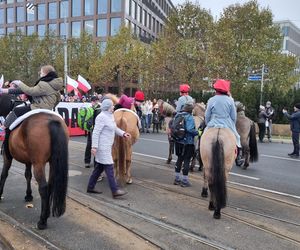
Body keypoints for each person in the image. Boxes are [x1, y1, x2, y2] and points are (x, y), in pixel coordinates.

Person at [87, 99, 131, 197]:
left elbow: (114, 128)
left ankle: (90, 187)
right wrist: (94, 147)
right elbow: (96, 132)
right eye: (112, 106)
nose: (113, 107)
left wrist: (123, 133)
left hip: (107, 146)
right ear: (107, 107)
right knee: (110, 167)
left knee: (99, 168)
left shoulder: (110, 116)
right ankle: (114, 190)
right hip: (102, 147)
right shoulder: (101, 117)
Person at [0, 65, 63, 129]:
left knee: (16, 110)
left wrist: (20, 83)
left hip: (38, 108)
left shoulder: (43, 84)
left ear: (45, 74)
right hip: (49, 109)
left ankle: (3, 127)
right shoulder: (56, 86)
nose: (40, 74)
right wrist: (50, 106)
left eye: (41, 73)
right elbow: (58, 99)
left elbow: (30, 91)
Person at [205, 79, 244, 165]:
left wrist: (207, 123)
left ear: (216, 89)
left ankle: (199, 152)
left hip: (213, 122)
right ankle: (238, 156)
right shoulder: (230, 100)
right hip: (227, 122)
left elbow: (207, 115)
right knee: (237, 137)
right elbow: (234, 116)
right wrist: (232, 124)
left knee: (203, 135)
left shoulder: (211, 99)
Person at [173, 102, 199, 187]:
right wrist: (198, 132)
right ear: (191, 110)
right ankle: (184, 181)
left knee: (179, 159)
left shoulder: (178, 115)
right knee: (187, 160)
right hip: (188, 142)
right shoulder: (189, 117)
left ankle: (177, 179)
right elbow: (189, 129)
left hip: (178, 141)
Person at [84, 96, 101, 168]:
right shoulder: (100, 109)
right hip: (96, 130)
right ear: (96, 101)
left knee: (89, 145)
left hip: (90, 129)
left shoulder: (89, 108)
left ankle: (87, 162)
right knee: (95, 146)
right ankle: (96, 164)